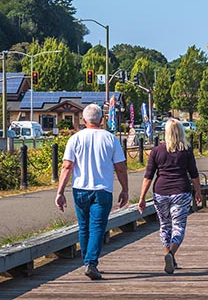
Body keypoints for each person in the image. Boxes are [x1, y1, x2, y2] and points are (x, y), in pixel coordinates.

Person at [56, 104, 129, 281]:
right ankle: (91, 263)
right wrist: (125, 189)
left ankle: (87, 262)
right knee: (97, 227)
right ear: (102, 120)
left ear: (83, 120)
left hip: (80, 188)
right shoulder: (111, 139)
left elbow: (67, 166)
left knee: (84, 226)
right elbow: (120, 167)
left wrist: (60, 192)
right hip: (102, 190)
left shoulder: (75, 139)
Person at [137, 119, 201, 274]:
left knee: (165, 225)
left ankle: (169, 255)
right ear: (181, 132)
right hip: (181, 191)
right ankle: (171, 254)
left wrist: (142, 197)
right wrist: (198, 191)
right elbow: (194, 174)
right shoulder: (186, 150)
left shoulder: (156, 151)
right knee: (178, 226)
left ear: (165, 132)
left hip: (161, 192)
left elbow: (148, 176)